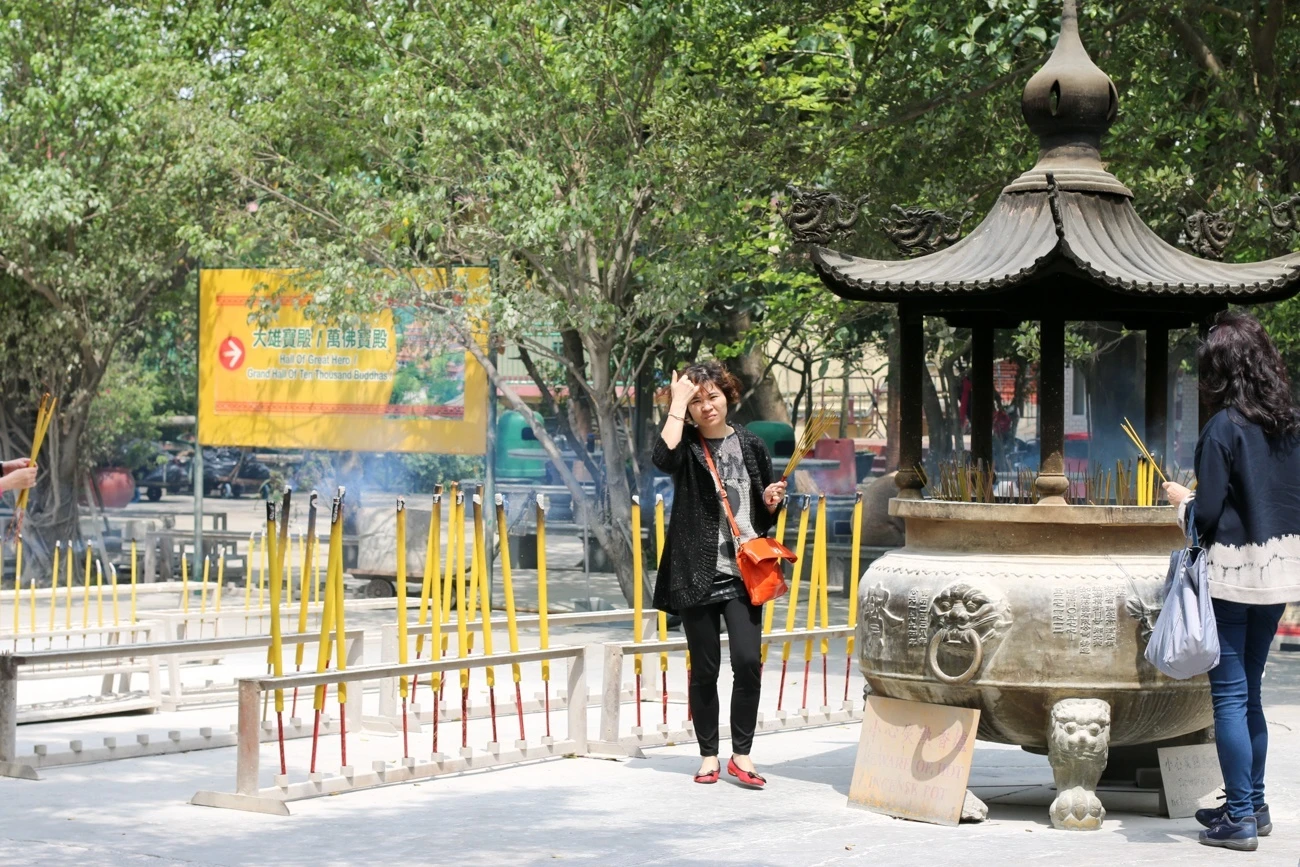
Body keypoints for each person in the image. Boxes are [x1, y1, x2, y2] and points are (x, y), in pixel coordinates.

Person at [1163, 310, 1300, 852]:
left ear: (1223, 370)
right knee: (1251, 695)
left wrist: (1181, 502)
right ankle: (1255, 804)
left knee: (1229, 697)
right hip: (1279, 577)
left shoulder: (1223, 428)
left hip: (1232, 579)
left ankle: (1239, 816)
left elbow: (1209, 516)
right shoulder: (1290, 425)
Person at [652, 361, 787, 787]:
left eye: (712, 396)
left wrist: (770, 501)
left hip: (745, 572)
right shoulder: (687, 446)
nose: (706, 406)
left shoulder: (750, 444)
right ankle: (709, 755)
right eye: (697, 401)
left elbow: (767, 510)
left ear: (729, 396)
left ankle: (741, 756)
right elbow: (662, 458)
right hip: (697, 571)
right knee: (705, 668)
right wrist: (676, 402)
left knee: (748, 663)